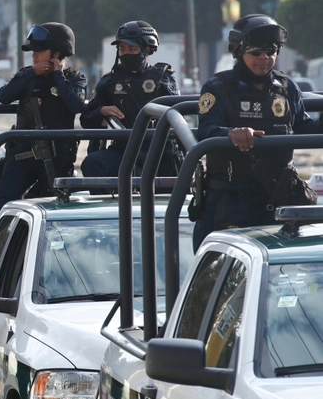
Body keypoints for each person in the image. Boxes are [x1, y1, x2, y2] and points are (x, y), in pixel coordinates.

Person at [193, 14, 322, 247]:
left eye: (271, 51)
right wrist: (231, 134)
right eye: (256, 52)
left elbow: (305, 127)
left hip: (279, 196)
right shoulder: (218, 88)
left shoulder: (285, 88)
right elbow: (206, 131)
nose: (264, 58)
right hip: (231, 200)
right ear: (240, 52)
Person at [0, 23, 87, 222]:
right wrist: (31, 73)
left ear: (57, 53)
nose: (34, 55)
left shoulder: (74, 78)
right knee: (3, 204)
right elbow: (4, 96)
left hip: (57, 157)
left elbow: (76, 105)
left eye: (39, 51)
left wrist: (58, 76)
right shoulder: (27, 75)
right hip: (23, 155)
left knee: (50, 209)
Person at [81, 21, 178, 180]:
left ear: (147, 49)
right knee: (93, 163)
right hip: (122, 150)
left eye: (132, 49)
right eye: (122, 49)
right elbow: (86, 118)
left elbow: (177, 115)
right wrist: (101, 111)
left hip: (159, 152)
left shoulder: (163, 79)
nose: (125, 53)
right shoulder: (109, 82)